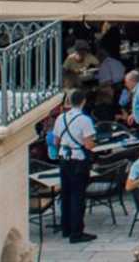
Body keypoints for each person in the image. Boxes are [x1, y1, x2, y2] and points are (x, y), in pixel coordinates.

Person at [51, 88, 96, 243]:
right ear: (83, 101)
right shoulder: (85, 120)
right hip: (78, 160)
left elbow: (56, 141)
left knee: (66, 194)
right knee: (78, 196)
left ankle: (66, 228)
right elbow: (89, 145)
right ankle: (76, 233)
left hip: (64, 158)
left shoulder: (60, 118)